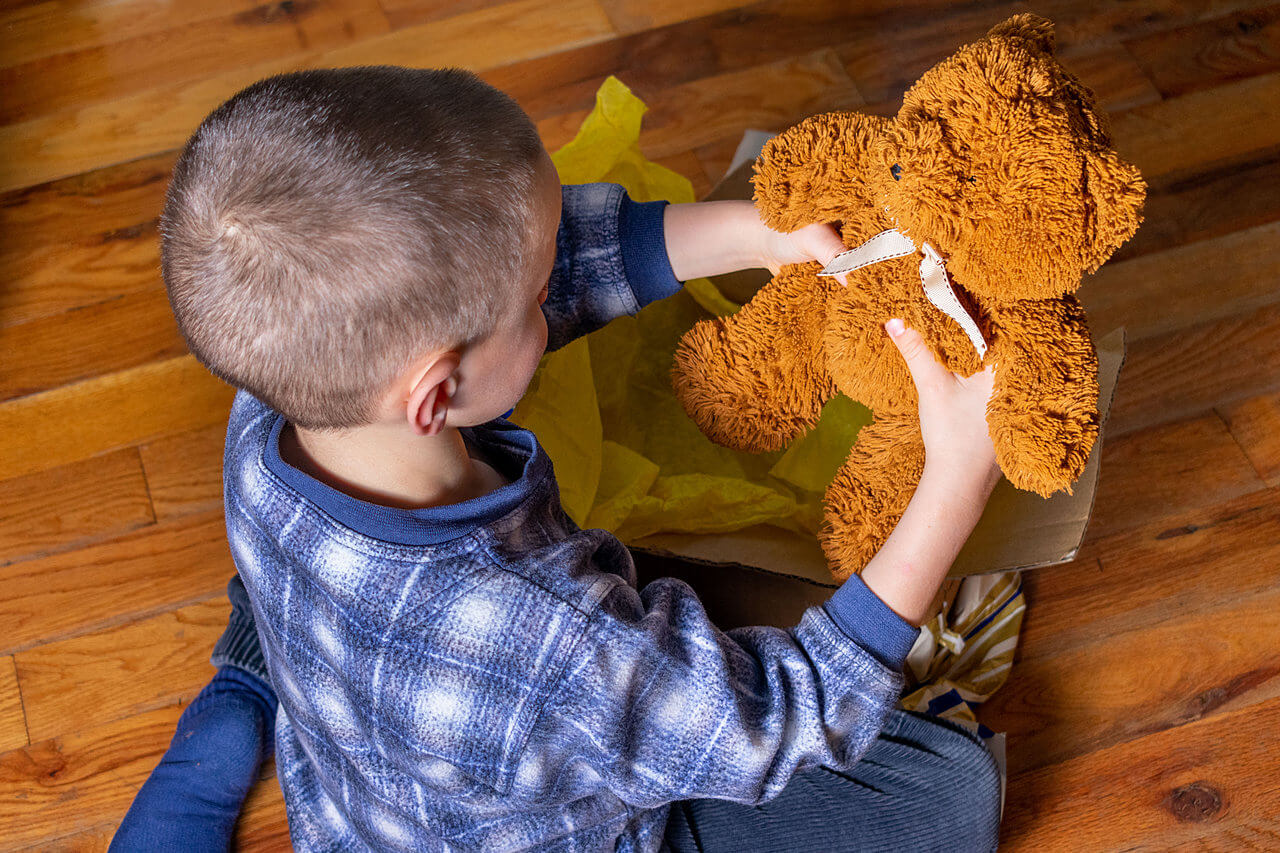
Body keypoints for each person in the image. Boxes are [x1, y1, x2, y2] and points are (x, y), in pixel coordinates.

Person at [112, 67, 1001, 852]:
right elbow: (774, 722)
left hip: (358, 785)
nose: (554, 288)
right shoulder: (547, 642)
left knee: (283, 609)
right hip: (532, 783)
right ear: (434, 395)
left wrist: (757, 236)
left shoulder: (273, 395)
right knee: (953, 795)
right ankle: (247, 684)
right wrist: (957, 474)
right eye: (539, 297)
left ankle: (244, 686)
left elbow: (546, 260)